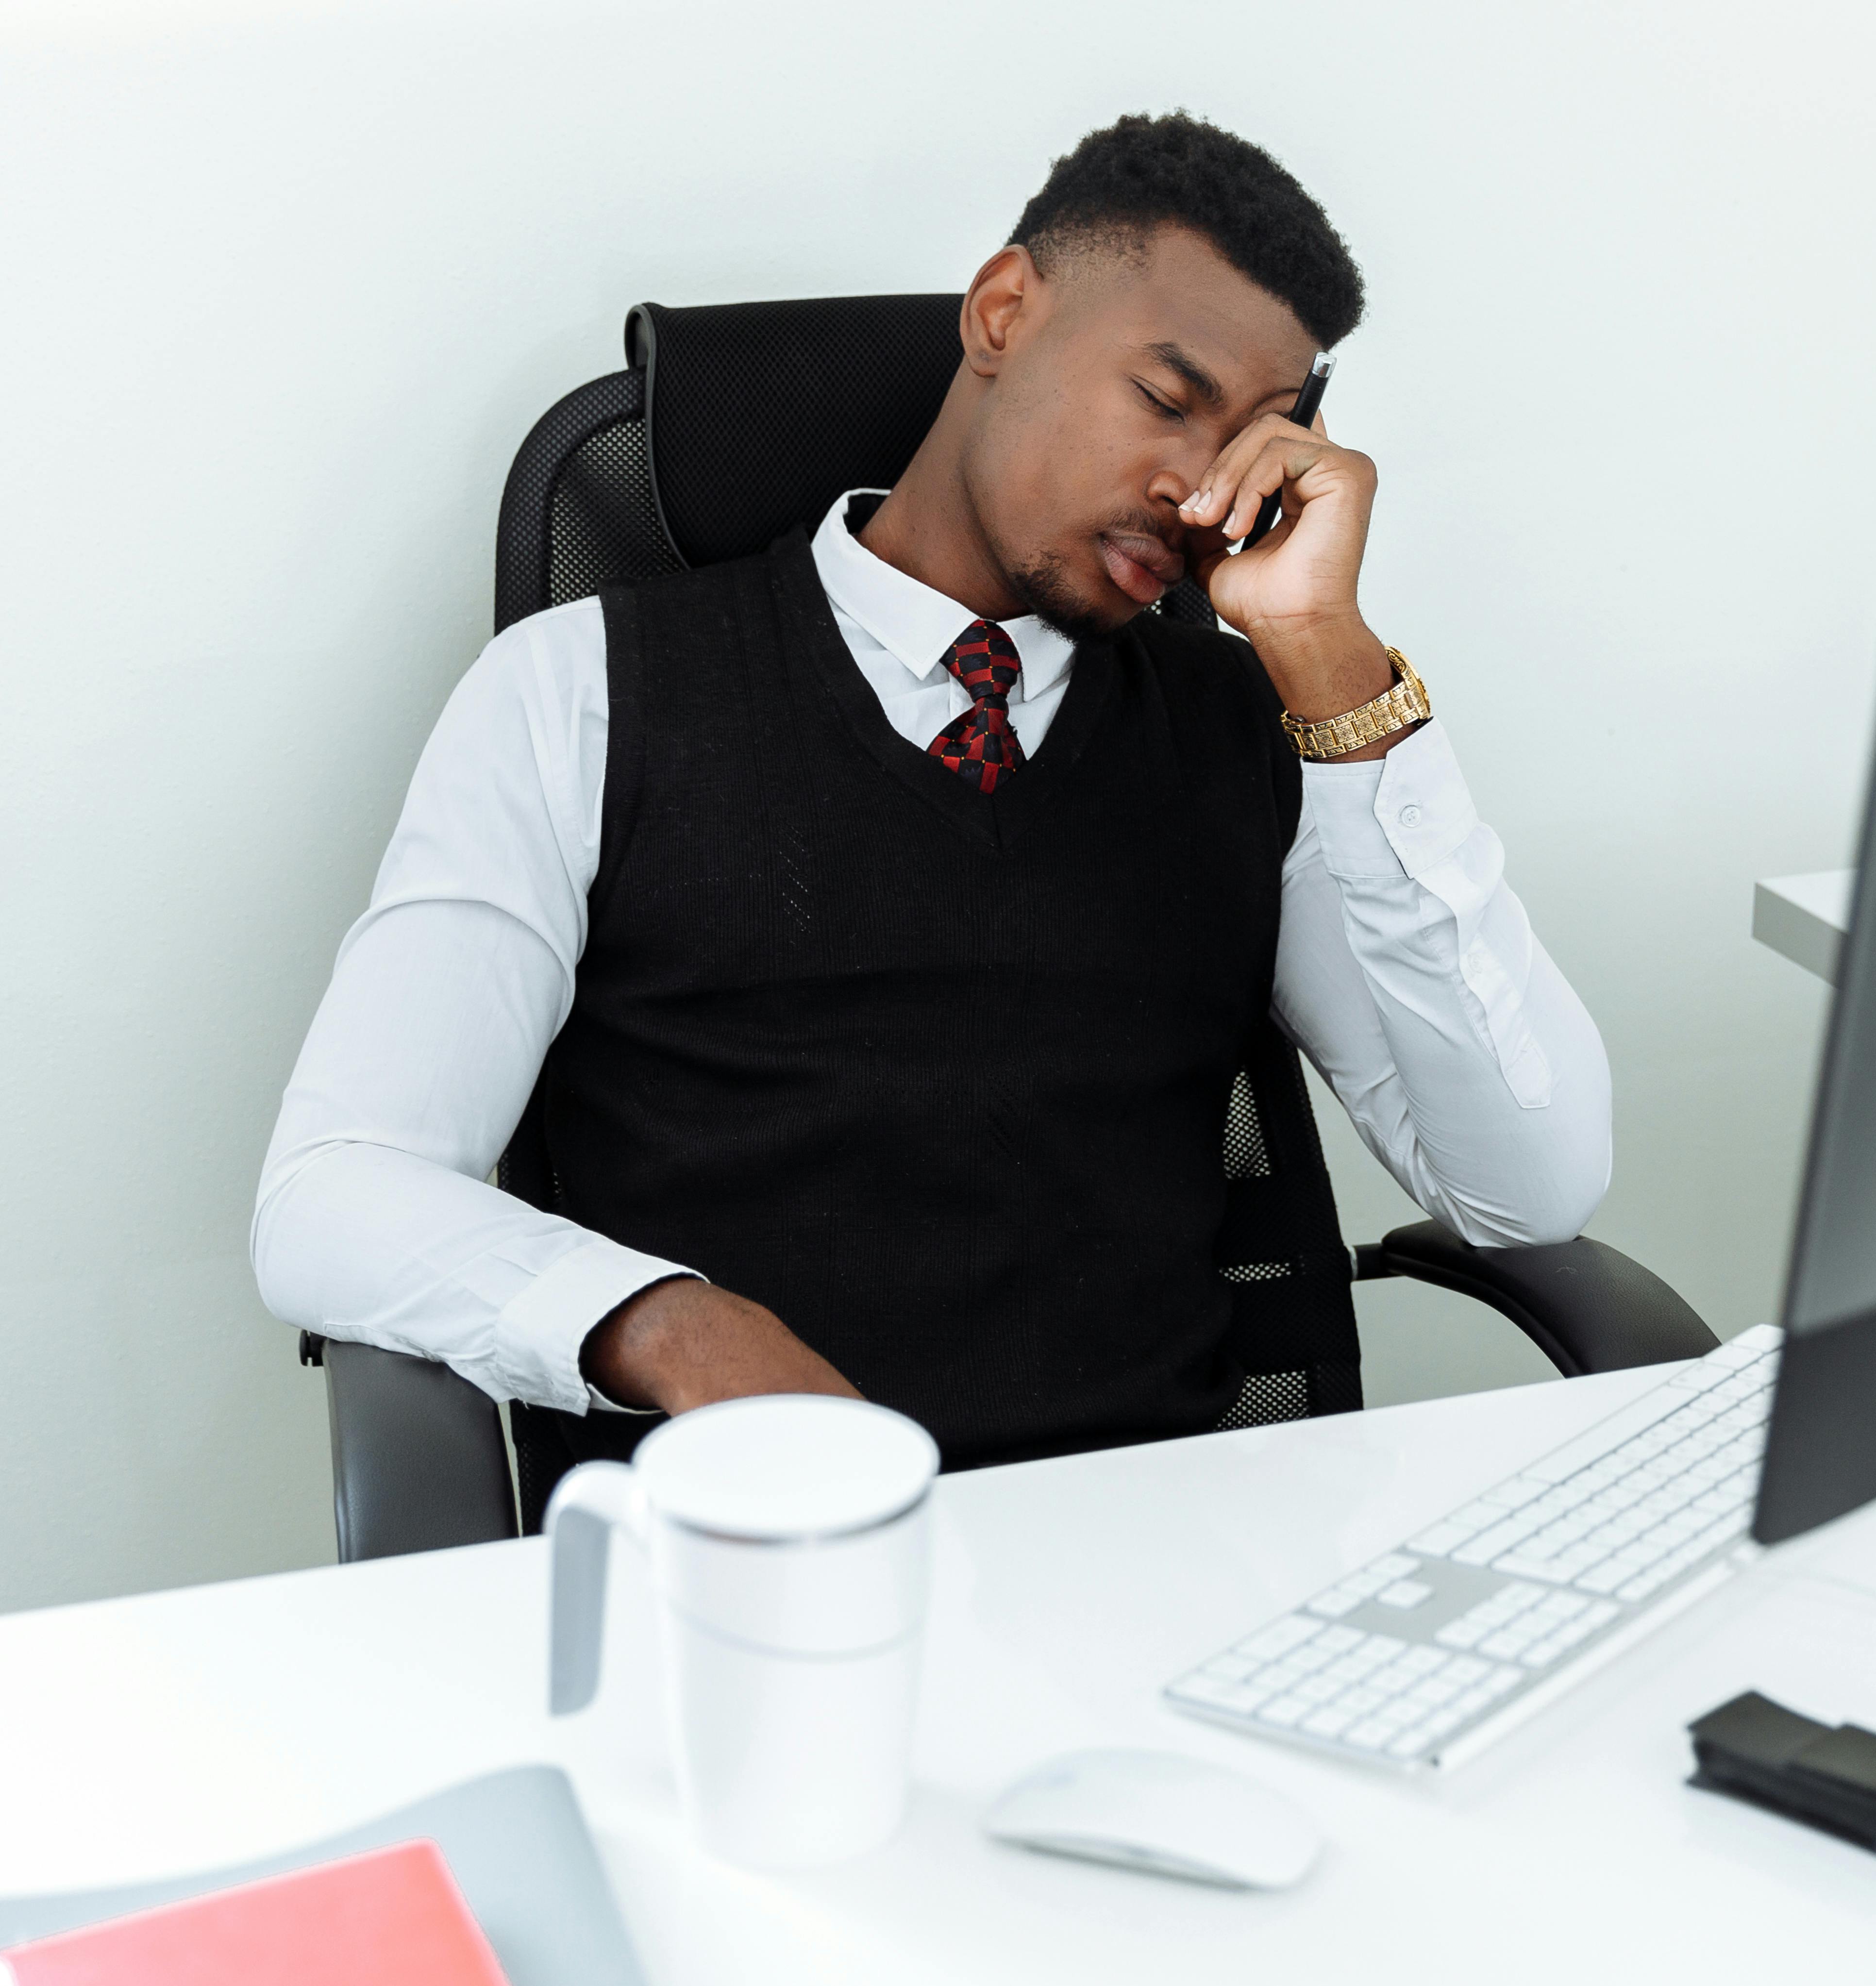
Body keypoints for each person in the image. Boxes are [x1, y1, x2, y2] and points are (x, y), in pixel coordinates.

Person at [253, 111, 1610, 1482]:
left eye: (1256, 442)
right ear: (1004, 312)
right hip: (758, 1568)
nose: (1194, 488)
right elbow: (333, 1191)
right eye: (1166, 398)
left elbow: (1526, 1191)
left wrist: (1335, 669)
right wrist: (675, 1327)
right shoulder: (578, 693)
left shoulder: (1259, 731)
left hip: (1170, 1556)